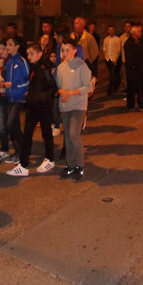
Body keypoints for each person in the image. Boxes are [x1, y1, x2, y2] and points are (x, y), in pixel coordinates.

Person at [7, 42, 57, 176]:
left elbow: (53, 87)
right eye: (28, 54)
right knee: (27, 134)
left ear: (40, 54)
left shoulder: (43, 68)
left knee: (46, 134)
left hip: (43, 107)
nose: (29, 56)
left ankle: (50, 159)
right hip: (32, 106)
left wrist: (42, 96)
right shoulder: (33, 68)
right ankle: (23, 165)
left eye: (32, 54)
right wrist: (30, 93)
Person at [56, 41, 92, 182]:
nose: (64, 53)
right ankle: (69, 165)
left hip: (78, 105)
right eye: (62, 50)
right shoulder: (60, 67)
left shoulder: (81, 66)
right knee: (67, 137)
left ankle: (79, 165)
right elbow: (59, 85)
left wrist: (71, 93)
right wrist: (62, 92)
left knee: (73, 135)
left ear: (75, 50)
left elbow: (87, 87)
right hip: (65, 106)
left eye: (67, 50)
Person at [0, 36, 29, 164]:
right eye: (7, 44)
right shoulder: (8, 62)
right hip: (10, 97)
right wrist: (3, 82)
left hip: (19, 98)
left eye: (10, 45)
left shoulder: (21, 61)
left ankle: (22, 152)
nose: (8, 47)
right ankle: (20, 152)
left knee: (10, 124)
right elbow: (5, 78)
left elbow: (27, 81)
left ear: (17, 46)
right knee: (14, 126)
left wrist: (14, 85)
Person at [123, 23, 143, 111]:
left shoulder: (142, 41)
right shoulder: (128, 44)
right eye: (139, 31)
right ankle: (130, 104)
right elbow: (131, 58)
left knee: (141, 88)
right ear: (134, 33)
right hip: (132, 70)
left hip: (141, 70)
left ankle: (142, 104)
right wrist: (140, 64)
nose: (140, 33)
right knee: (132, 87)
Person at [102, 24, 121, 95]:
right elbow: (104, 48)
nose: (111, 31)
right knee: (112, 74)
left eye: (112, 30)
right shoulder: (106, 39)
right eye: (110, 30)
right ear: (108, 31)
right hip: (108, 59)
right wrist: (105, 57)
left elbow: (118, 50)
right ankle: (116, 84)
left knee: (113, 74)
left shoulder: (117, 39)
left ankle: (110, 88)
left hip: (114, 59)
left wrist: (115, 58)